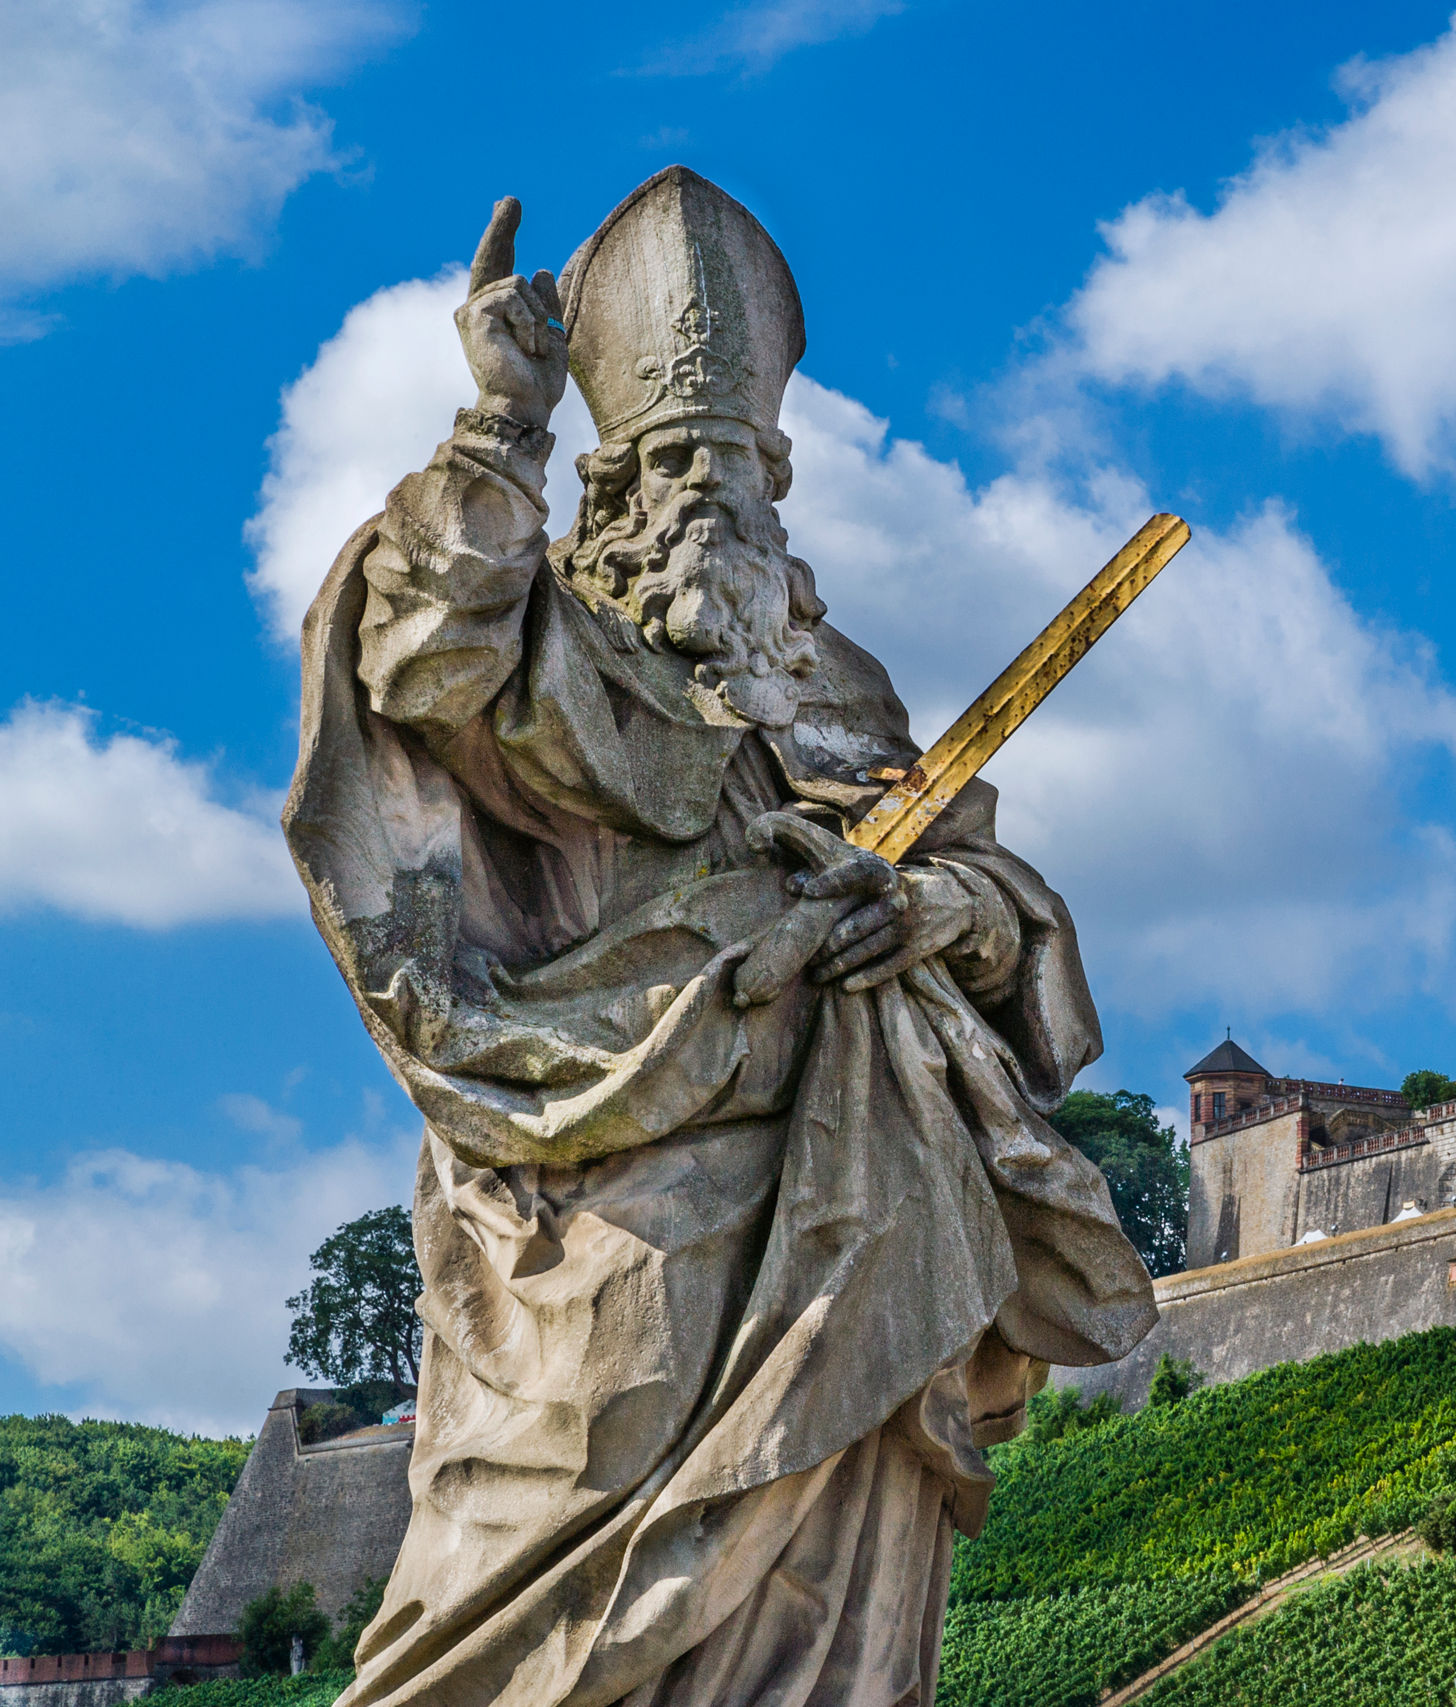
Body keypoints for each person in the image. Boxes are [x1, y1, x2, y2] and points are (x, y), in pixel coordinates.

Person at [284, 167, 1156, 1707]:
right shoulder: (570, 659)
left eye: (743, 464)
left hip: (857, 1206)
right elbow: (425, 654)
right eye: (679, 459)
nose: (717, 497)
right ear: (613, 487)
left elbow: (998, 899)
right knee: (534, 1574)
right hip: (607, 1208)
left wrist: (935, 910)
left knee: (832, 1613)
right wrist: (503, 422)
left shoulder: (845, 689)